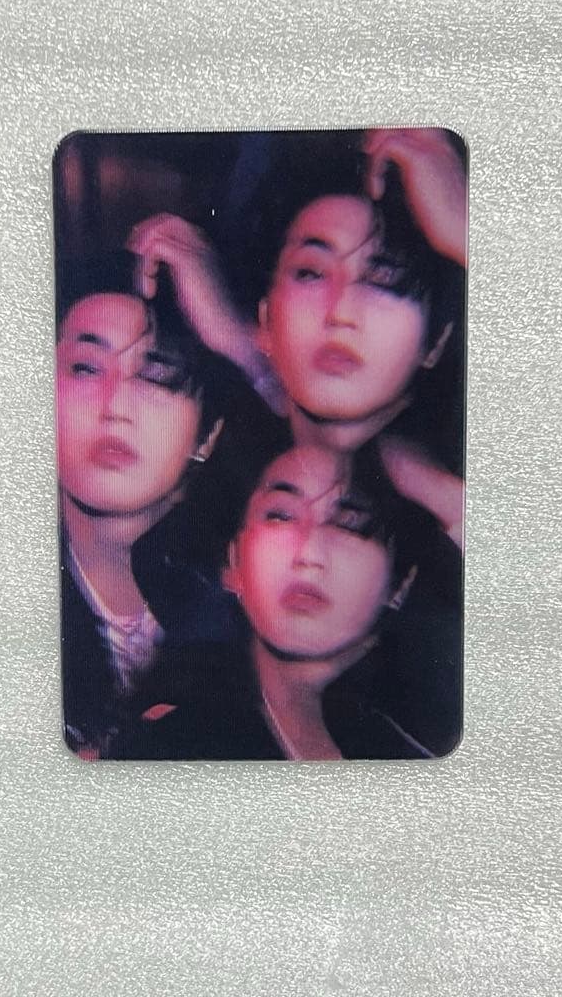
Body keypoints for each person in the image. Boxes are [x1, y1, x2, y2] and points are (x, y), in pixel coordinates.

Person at [126, 129, 466, 548]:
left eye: (382, 279)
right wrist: (248, 354)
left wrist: (467, 234)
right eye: (310, 272)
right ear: (265, 320)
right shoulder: (210, 525)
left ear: (436, 339)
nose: (340, 310)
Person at [126, 445, 445, 760]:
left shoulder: (411, 762)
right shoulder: (170, 749)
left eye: (347, 523)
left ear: (399, 583)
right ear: (233, 562)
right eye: (280, 516)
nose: (309, 552)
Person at [55, 252, 236, 758]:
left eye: (155, 374)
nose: (115, 404)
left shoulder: (231, 611)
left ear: (208, 434)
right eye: (86, 368)